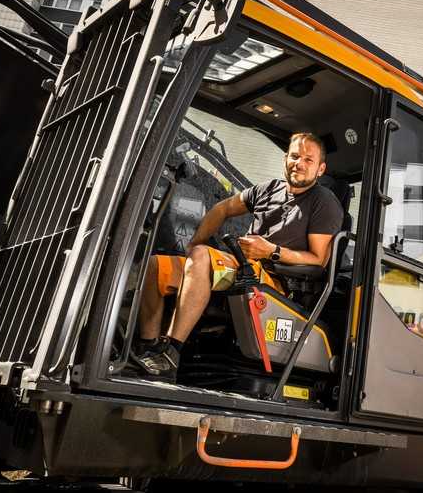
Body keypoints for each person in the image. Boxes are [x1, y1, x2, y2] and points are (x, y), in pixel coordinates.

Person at [135, 132, 344, 381]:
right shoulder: (268, 190)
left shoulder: (324, 202)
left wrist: (271, 251)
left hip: (270, 282)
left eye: (308, 160)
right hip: (241, 267)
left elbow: (318, 260)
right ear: (285, 158)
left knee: (203, 258)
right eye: (295, 156)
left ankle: (171, 354)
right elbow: (222, 208)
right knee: (156, 265)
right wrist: (193, 243)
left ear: (320, 169)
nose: (299, 163)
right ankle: (148, 348)